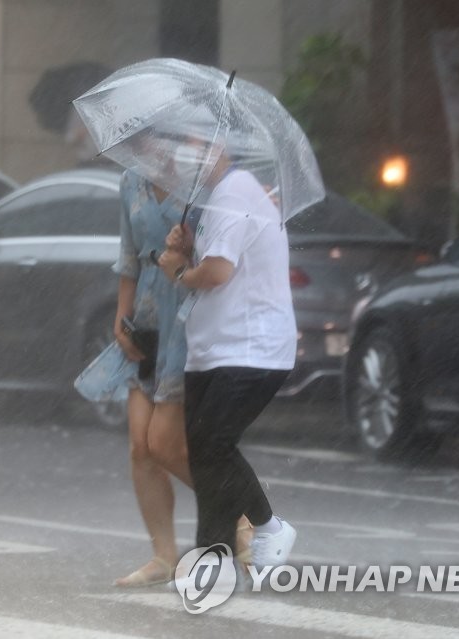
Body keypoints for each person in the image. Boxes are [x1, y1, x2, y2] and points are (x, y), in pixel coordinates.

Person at [75, 166, 253, 587]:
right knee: (141, 447)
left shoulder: (202, 182)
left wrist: (186, 248)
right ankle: (163, 555)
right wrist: (123, 317)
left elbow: (221, 255)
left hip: (190, 318)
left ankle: (242, 515)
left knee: (166, 445)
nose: (148, 144)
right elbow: (129, 258)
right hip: (148, 320)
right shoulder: (131, 181)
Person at [158, 144, 298, 569]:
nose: (184, 152)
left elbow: (218, 272)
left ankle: (269, 525)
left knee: (213, 446)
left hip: (250, 347)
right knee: (203, 457)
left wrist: (179, 271)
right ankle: (212, 557)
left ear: (219, 147)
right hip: (213, 346)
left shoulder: (235, 192)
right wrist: (184, 250)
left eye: (196, 143)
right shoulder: (216, 197)